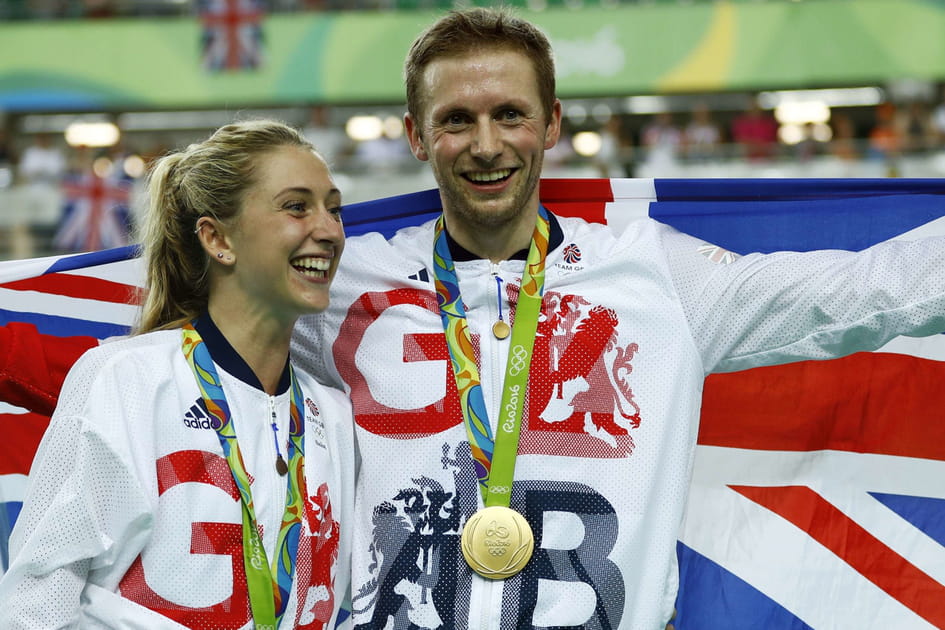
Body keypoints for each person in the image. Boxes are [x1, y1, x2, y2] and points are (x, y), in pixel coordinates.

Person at [290, 8, 945, 630]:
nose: (486, 145)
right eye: (456, 120)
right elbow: (204, 299)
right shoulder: (337, 284)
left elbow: (856, 293)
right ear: (415, 135)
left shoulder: (652, 274)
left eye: (509, 114)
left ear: (550, 124)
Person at [0, 119, 354, 629]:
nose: (329, 229)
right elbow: (34, 604)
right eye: (297, 206)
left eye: (334, 208)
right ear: (217, 238)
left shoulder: (333, 416)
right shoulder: (125, 380)